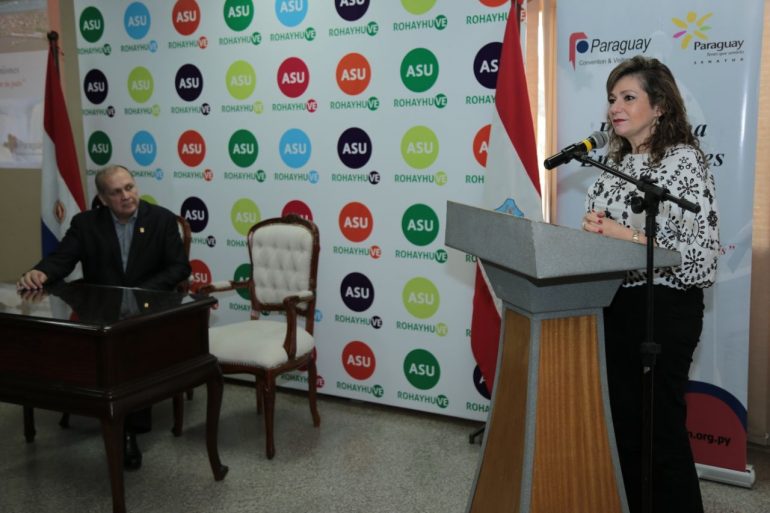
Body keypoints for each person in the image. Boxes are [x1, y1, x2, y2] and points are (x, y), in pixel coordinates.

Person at [582, 56, 719, 513]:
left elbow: (700, 259)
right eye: (611, 98)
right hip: (615, 306)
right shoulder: (610, 165)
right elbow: (601, 241)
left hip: (667, 309)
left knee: (660, 429)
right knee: (622, 427)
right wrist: (593, 234)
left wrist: (626, 235)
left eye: (628, 97)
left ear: (659, 105)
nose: (615, 107)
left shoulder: (684, 162)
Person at [17, 164, 191, 471]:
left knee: (129, 348)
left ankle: (127, 431)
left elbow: (179, 268)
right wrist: (40, 272)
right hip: (100, 316)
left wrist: (138, 292)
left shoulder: (161, 220)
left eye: (129, 187)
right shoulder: (86, 224)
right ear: (103, 197)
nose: (126, 196)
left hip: (147, 312)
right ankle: (98, 406)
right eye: (116, 192)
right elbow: (62, 259)